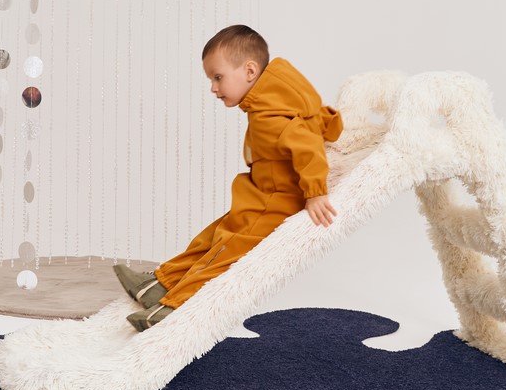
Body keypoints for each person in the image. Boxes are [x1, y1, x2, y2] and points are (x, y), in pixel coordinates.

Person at [115, 25, 343, 330]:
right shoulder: (276, 102)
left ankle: (176, 308)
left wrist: (315, 193)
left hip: (273, 203)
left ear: (249, 71)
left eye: (218, 77)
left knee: (224, 251)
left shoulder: (271, 115)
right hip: (257, 194)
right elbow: (321, 122)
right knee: (211, 237)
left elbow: (309, 147)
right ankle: (161, 283)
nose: (213, 88)